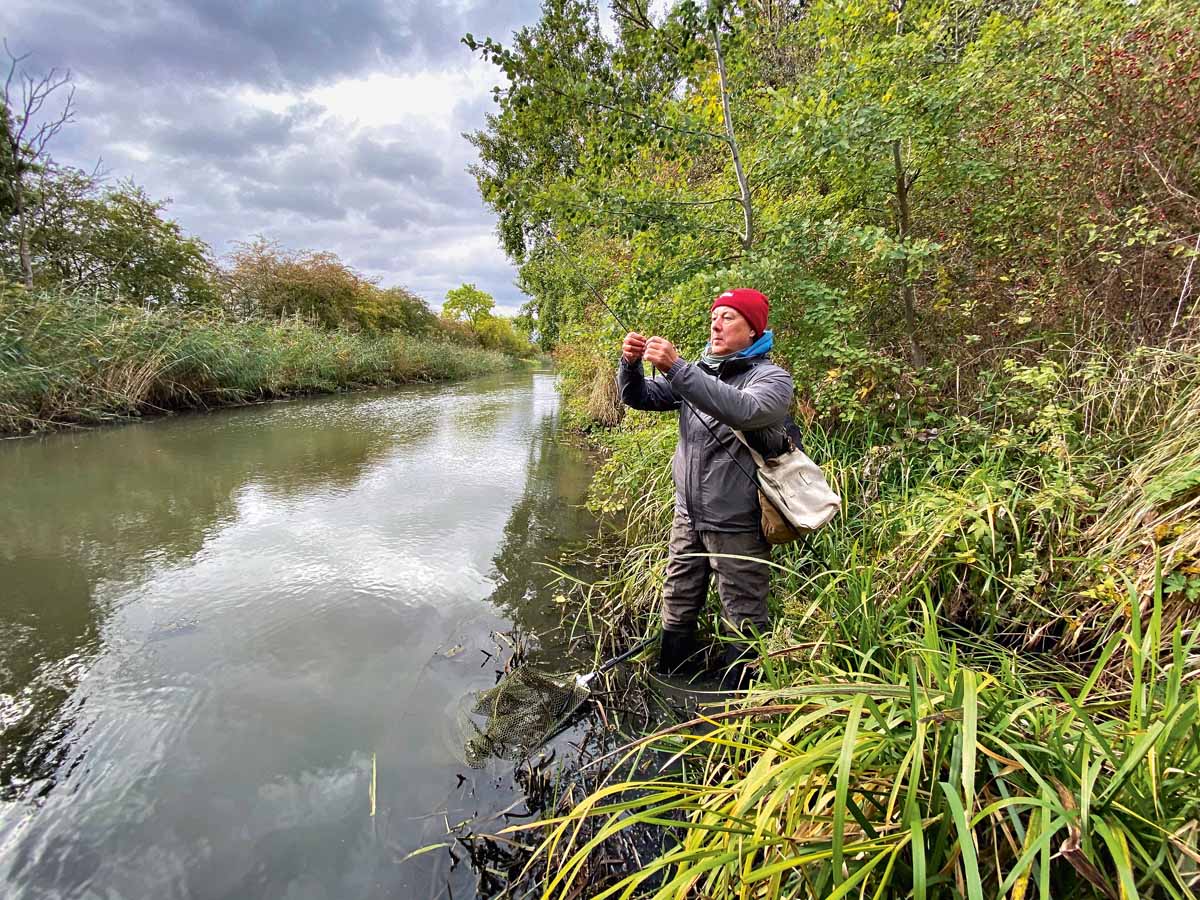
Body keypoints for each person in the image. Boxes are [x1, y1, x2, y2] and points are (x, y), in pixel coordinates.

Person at [617, 287, 795, 689]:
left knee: (743, 613)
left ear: (753, 330)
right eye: (715, 316)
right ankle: (670, 680)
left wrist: (678, 368)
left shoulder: (772, 379)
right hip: (688, 515)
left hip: (738, 521)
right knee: (678, 597)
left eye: (729, 317)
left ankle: (737, 704)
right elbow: (639, 397)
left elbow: (744, 410)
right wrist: (629, 365)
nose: (716, 323)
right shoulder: (700, 372)